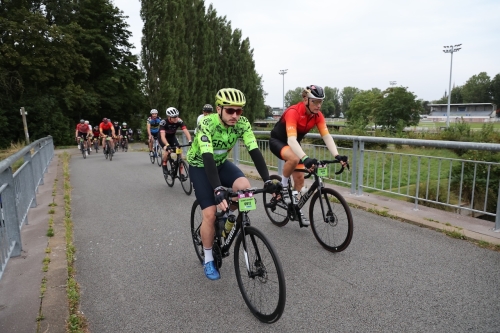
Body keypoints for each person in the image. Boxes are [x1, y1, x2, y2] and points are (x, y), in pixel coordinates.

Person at [187, 88, 279, 280]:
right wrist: (218, 188)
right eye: (230, 111)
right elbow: (207, 156)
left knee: (245, 187)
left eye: (239, 111)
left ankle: (228, 217)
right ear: (219, 109)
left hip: (221, 164)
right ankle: (209, 258)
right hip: (201, 165)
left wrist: (267, 180)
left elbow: (254, 151)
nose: (235, 115)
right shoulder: (206, 123)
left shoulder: (242, 124)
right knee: (210, 214)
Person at [269, 85, 348, 226]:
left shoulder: (317, 116)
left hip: (293, 145)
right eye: (315, 101)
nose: (318, 105)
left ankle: (296, 208)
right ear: (305, 99)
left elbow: (326, 136)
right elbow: (291, 140)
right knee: (294, 158)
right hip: (278, 141)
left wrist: (337, 155)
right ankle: (283, 185)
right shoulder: (294, 111)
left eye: (320, 102)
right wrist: (305, 159)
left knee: (299, 179)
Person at [159, 107, 192, 173]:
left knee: (179, 152)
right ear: (169, 117)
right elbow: (162, 136)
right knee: (167, 150)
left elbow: (185, 130)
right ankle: (164, 164)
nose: (176, 118)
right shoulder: (163, 122)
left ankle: (181, 172)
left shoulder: (179, 121)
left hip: (172, 137)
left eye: (177, 116)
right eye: (174, 117)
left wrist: (190, 140)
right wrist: (167, 145)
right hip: (163, 138)